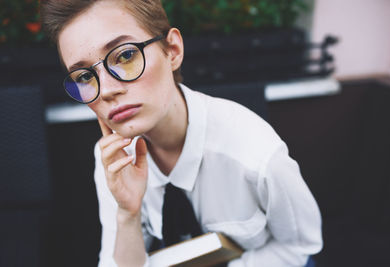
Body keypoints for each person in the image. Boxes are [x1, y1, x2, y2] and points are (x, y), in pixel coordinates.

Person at [40, 0, 323, 266]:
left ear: (172, 50)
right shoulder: (113, 158)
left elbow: (301, 246)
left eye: (125, 56)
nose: (109, 90)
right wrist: (128, 214)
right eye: (84, 77)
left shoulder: (255, 155)